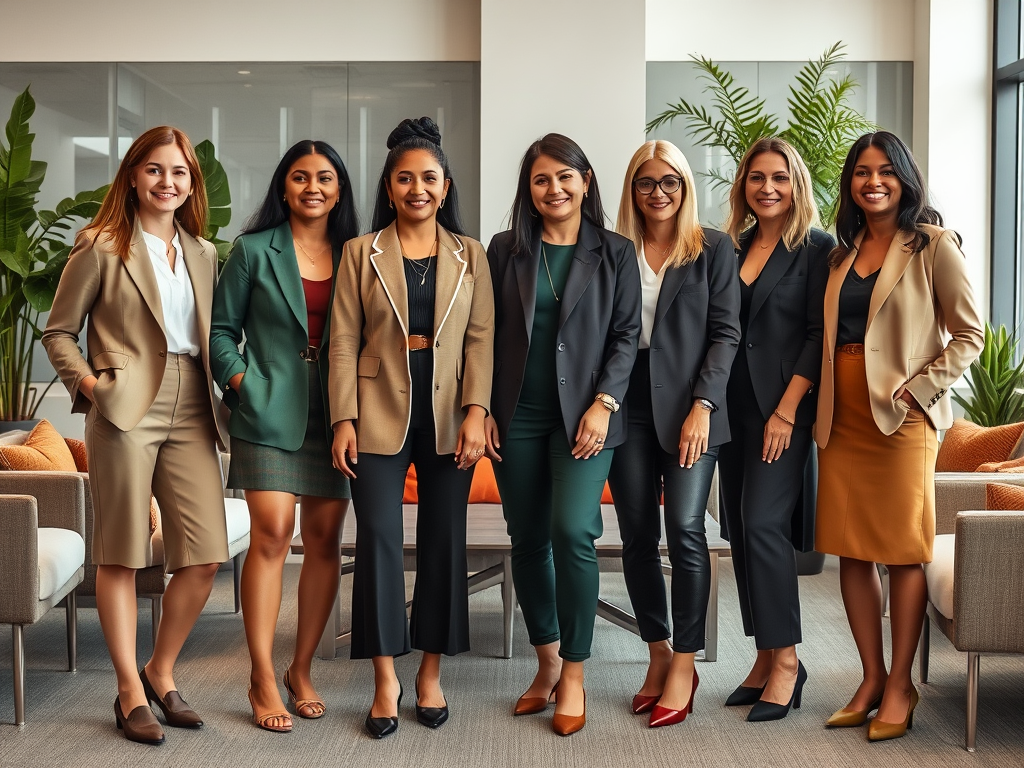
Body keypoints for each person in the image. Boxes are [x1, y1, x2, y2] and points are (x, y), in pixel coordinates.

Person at [42, 126, 229, 746]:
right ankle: (128, 692)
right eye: (154, 170)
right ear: (132, 176)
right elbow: (58, 332)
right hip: (124, 405)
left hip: (193, 403)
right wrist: (93, 388)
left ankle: (160, 670)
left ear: (190, 184)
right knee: (121, 552)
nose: (167, 182)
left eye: (179, 172)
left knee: (203, 556)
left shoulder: (203, 252)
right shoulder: (101, 245)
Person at [815, 131, 983, 741]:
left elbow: (969, 334)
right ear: (850, 184)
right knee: (851, 550)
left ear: (905, 179)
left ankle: (901, 685)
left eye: (886, 171)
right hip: (842, 417)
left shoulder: (932, 245)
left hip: (902, 417)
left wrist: (918, 390)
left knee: (903, 549)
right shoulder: (840, 254)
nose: (874, 181)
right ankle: (870, 676)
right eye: (862, 172)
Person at [329, 117, 493, 739]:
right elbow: (342, 341)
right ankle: (383, 679)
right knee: (375, 539)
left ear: (445, 186)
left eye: (428, 178)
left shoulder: (470, 254)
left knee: (444, 539)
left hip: (450, 410)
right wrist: (343, 418)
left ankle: (429, 672)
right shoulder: (359, 252)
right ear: (390, 187)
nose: (417, 188)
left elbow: (482, 339)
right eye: (405, 178)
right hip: (375, 408)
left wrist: (477, 412)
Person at [485, 133, 641, 736]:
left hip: (585, 417)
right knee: (526, 536)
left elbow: (626, 335)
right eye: (542, 180)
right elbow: (485, 334)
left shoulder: (615, 252)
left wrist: (604, 403)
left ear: (587, 181)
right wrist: (484, 407)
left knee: (573, 530)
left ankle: (574, 671)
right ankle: (546, 661)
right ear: (529, 188)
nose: (555, 189)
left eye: (565, 177)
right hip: (516, 413)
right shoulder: (506, 250)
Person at [209, 140, 359, 732]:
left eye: (324, 177)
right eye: (300, 177)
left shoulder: (359, 253)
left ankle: (301, 669)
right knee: (272, 532)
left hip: (338, 415)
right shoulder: (251, 251)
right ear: (283, 186)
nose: (313, 187)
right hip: (268, 412)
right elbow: (221, 332)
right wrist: (243, 381)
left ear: (340, 189)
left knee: (325, 541)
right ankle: (261, 676)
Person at [607, 140, 740, 728]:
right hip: (627, 399)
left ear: (685, 187)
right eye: (646, 182)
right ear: (632, 188)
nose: (658, 192)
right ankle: (658, 652)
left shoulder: (712, 247)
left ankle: (685, 663)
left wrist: (704, 404)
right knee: (635, 534)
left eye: (670, 182)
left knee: (685, 528)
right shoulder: (613, 249)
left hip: (693, 403)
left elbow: (726, 333)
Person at [716, 137, 832, 721]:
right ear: (743, 186)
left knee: (764, 525)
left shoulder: (816, 249)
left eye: (779, 178)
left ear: (797, 185)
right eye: (756, 177)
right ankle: (763, 656)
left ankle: (788, 661)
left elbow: (818, 335)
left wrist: (787, 412)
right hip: (728, 408)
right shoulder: (730, 245)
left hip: (779, 412)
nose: (768, 188)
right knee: (739, 529)